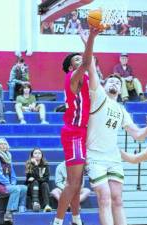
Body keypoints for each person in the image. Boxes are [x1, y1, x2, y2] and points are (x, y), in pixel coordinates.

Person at [86, 70, 147, 224]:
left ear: (120, 90)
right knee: (104, 197)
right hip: (94, 156)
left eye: (118, 83)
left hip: (113, 157)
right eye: (111, 81)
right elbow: (91, 71)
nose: (115, 84)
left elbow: (138, 135)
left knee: (117, 199)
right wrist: (90, 53)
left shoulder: (121, 110)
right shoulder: (98, 97)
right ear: (104, 85)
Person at [52, 28, 100, 225]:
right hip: (73, 132)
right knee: (72, 183)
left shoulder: (86, 78)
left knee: (78, 183)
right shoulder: (73, 78)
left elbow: (91, 62)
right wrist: (91, 37)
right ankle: (57, 221)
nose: (81, 61)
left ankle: (76, 219)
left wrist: (85, 41)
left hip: (81, 132)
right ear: (71, 67)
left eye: (81, 58)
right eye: (77, 60)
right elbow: (89, 62)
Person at [0, 138, 27, 223]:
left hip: (6, 185)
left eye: (5, 144)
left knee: (24, 188)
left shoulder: (8, 157)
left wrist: (13, 183)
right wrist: (10, 185)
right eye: (1, 144)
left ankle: (21, 209)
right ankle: (8, 214)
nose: (3, 146)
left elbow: (13, 175)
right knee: (15, 189)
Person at [25, 147, 52, 212]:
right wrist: (36, 165)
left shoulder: (46, 165)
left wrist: (37, 178)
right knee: (35, 182)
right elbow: (29, 180)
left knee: (44, 184)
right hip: (32, 188)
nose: (37, 154)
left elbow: (46, 179)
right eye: (35, 153)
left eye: (39, 153)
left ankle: (47, 205)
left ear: (42, 155)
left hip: (43, 188)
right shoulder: (29, 165)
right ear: (32, 155)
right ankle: (35, 203)